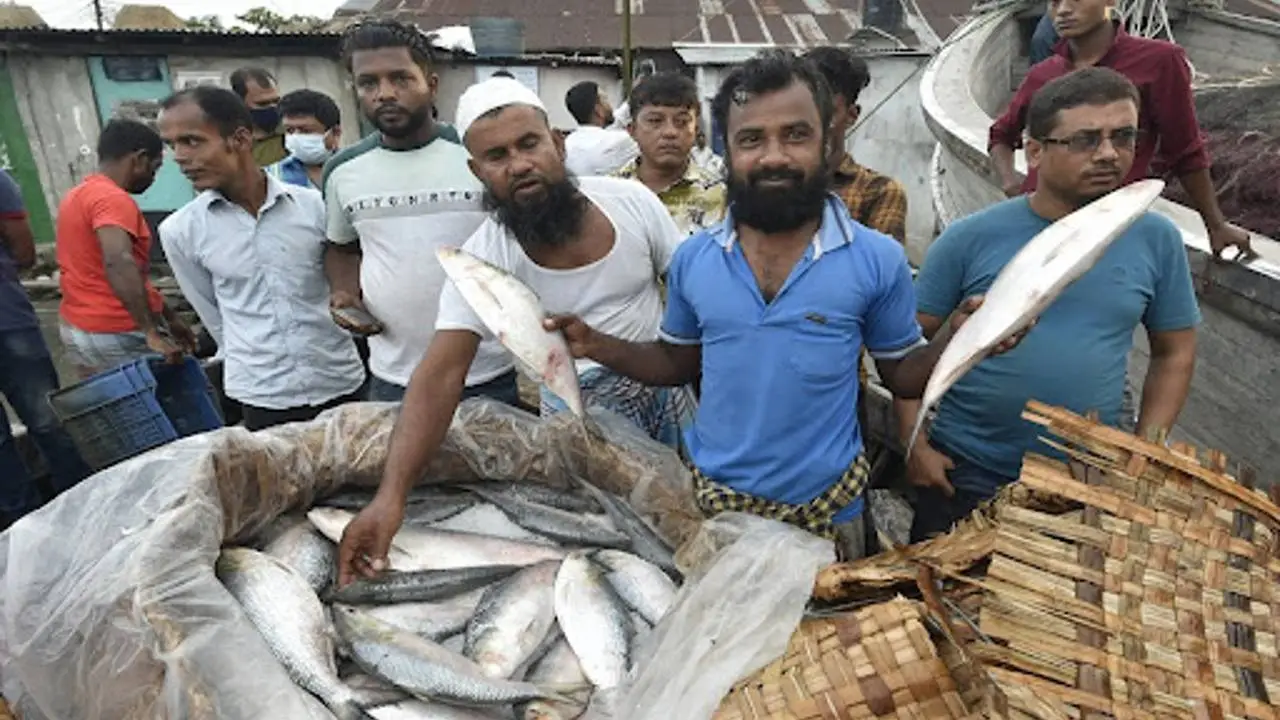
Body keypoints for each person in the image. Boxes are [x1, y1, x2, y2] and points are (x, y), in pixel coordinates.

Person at [333, 52, 1027, 584]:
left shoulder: (871, 258)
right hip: (706, 496)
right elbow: (679, 360)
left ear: (830, 138)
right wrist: (595, 343)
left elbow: (905, 375)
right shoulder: (695, 260)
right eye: (752, 139)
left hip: (832, 504)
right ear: (726, 149)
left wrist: (965, 336)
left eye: (796, 135)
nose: (775, 155)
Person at [335, 76, 711, 584]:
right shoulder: (485, 261)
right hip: (580, 426)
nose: (518, 164)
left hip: (666, 391)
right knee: (616, 550)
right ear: (477, 171)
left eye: (529, 144)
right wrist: (390, 497)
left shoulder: (633, 204)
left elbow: (702, 305)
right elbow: (440, 375)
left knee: (689, 528)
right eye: (496, 156)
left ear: (557, 142)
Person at [902, 67, 1200, 541]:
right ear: (1034, 151)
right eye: (1084, 140)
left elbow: (1175, 351)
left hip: (1086, 476)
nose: (1108, 153)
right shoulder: (971, 238)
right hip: (965, 466)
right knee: (936, 606)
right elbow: (903, 353)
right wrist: (913, 444)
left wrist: (1147, 451)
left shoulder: (1153, 238)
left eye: (1123, 136)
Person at [323, 19, 516, 405]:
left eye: (400, 78)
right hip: (393, 376)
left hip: (488, 371)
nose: (385, 94)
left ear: (431, 83)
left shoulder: (479, 153)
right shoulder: (342, 171)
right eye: (369, 83)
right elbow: (341, 246)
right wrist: (345, 293)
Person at [157, 86, 367, 431]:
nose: (179, 156)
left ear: (239, 139)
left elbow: (346, 282)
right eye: (171, 145)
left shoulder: (315, 207)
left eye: (192, 141)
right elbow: (216, 317)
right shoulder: (180, 231)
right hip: (262, 395)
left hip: (339, 379)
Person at [989, 0, 1251, 258]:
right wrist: (1011, 184)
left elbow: (1184, 150)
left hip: (1111, 227)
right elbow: (1002, 133)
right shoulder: (1043, 74)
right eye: (1054, 3)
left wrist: (1215, 225)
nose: (1064, 10)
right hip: (1035, 228)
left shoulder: (1159, 61)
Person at [56, 118, 196, 377]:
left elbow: (131, 273)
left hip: (78, 328)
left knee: (111, 410)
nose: (153, 178)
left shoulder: (76, 195)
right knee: (166, 408)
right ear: (139, 159)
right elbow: (119, 262)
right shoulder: (113, 200)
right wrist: (151, 332)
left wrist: (170, 317)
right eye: (154, 169)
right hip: (118, 329)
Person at [0, 169, 90, 528]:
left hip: (9, 323)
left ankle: (25, 527)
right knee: (48, 422)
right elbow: (23, 253)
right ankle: (81, 508)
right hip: (9, 321)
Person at [804, 46, 908, 244]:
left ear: (851, 115)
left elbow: (880, 270)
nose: (815, 125)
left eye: (829, 114)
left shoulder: (878, 191)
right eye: (805, 113)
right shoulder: (770, 183)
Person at [613, 71, 725, 237]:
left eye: (681, 122)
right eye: (655, 121)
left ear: (695, 130)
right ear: (632, 130)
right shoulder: (610, 194)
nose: (670, 132)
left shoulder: (721, 196)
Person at [266, 89, 343, 190]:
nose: (296, 137)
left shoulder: (356, 167)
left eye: (306, 131)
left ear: (335, 133)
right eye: (289, 130)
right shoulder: (272, 176)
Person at [562, 80, 638, 177]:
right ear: (598, 110)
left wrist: (633, 98)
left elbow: (616, 121)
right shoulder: (619, 141)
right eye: (605, 99)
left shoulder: (568, 144)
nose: (610, 105)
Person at [230, 66, 287, 167]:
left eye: (276, 101)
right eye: (263, 104)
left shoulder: (291, 134)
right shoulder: (229, 138)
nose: (272, 107)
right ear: (240, 102)